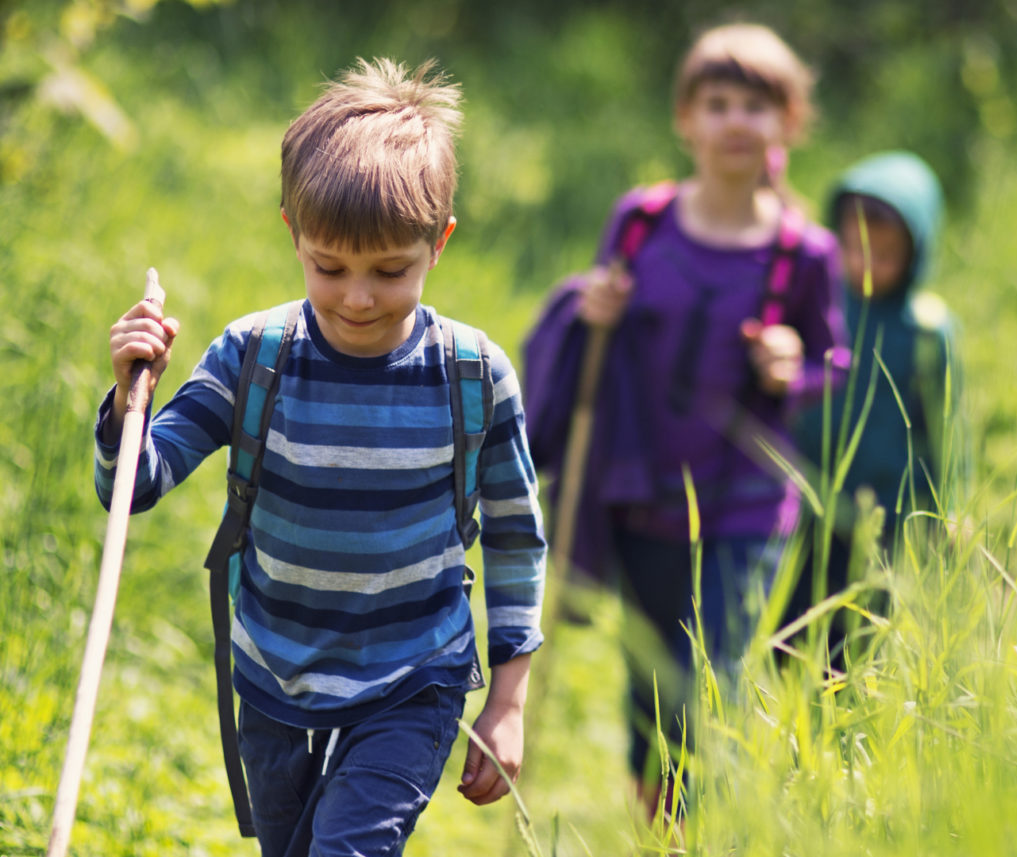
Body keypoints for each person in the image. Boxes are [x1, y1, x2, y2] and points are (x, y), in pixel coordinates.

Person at [94, 58, 546, 857]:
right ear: (293, 235)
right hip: (276, 672)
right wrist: (131, 401)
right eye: (329, 267)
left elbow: (515, 538)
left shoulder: (473, 375)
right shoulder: (254, 356)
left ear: (438, 243)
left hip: (415, 674)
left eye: (390, 270)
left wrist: (507, 697)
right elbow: (137, 485)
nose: (358, 298)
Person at [522, 23, 847, 810]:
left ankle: (706, 823)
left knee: (713, 677)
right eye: (719, 103)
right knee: (651, 688)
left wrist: (790, 366)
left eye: (758, 105)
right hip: (642, 493)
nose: (738, 120)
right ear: (687, 120)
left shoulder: (804, 251)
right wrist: (592, 311)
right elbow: (592, 328)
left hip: (744, 503)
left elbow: (833, 366)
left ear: (788, 123)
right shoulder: (642, 221)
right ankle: (661, 825)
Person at [788, 150, 961, 662]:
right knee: (789, 632)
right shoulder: (817, 303)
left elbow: (947, 428)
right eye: (854, 249)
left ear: (916, 255)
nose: (866, 265)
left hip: (884, 516)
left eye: (886, 255)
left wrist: (946, 509)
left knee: (860, 641)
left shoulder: (926, 331)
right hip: (804, 500)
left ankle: (843, 726)